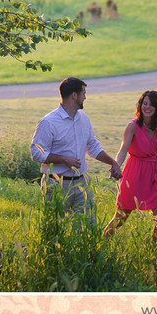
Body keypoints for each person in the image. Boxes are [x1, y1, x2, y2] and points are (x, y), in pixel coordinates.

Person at [30, 77, 121, 217]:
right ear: (74, 95)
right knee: (56, 227)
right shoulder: (48, 122)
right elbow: (36, 152)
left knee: (87, 225)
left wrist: (112, 162)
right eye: (83, 93)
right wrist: (63, 160)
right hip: (56, 185)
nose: (85, 97)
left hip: (82, 183)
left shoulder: (83, 118)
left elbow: (92, 146)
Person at [104, 89, 157, 240]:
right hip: (134, 173)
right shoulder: (132, 126)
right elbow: (123, 150)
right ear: (140, 106)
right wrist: (116, 165)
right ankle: (101, 242)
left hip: (154, 173)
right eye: (144, 104)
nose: (147, 107)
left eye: (151, 105)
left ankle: (156, 254)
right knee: (121, 218)